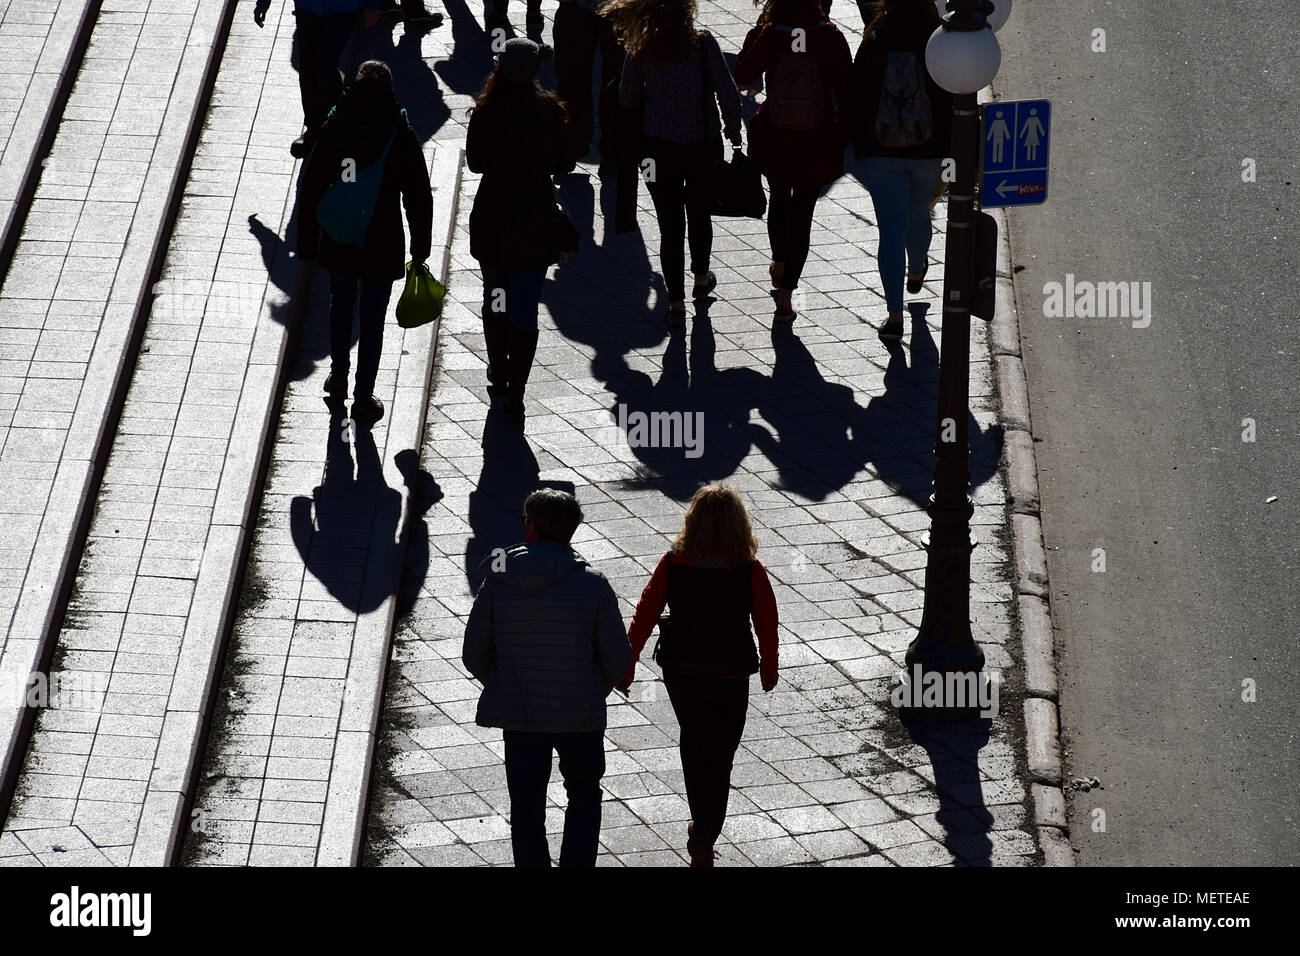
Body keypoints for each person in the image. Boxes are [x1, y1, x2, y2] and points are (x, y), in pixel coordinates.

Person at [463, 489, 633, 868]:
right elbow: (618, 657)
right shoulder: (594, 584)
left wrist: (504, 680)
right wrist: (592, 687)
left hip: (521, 714)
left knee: (526, 805)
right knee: (585, 795)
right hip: (580, 716)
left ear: (532, 527)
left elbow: (474, 652)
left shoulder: (500, 580)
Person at [618, 485, 780, 866]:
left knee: (694, 741)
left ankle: (701, 825)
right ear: (739, 525)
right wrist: (769, 668)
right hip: (729, 671)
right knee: (722, 753)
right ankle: (705, 831)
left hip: (683, 668)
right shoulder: (749, 569)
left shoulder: (673, 563)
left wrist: (625, 668)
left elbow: (644, 614)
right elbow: (767, 623)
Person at [298, 60, 432, 423]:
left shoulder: (336, 125)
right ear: (389, 88)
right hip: (382, 236)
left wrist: (307, 242)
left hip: (341, 234)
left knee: (340, 305)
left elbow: (310, 187)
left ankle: (338, 378)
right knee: (373, 320)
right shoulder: (398, 130)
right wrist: (421, 246)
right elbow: (418, 194)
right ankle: (363, 396)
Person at [604, 0, 742, 329]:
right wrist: (734, 131)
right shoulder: (704, 43)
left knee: (669, 226)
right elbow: (728, 91)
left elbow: (627, 97)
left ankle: (676, 304)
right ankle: (701, 276)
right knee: (699, 213)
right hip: (702, 147)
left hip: (656, 151)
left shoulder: (642, 46)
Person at [467, 38, 570, 425]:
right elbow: (564, 160)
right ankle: (518, 393)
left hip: (493, 218)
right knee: (525, 307)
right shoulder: (548, 110)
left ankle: (497, 369)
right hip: (535, 220)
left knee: (496, 296)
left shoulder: (486, 111)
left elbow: (476, 164)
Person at [733, 0, 852, 324]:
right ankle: (786, 297)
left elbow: (742, 74)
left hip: (777, 135)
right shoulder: (829, 35)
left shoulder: (772, 33)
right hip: (818, 137)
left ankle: (779, 260)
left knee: (780, 199)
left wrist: (755, 36)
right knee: (803, 213)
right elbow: (847, 86)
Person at [850, 0, 952, 342]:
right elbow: (952, 94)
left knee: (889, 231)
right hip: (928, 148)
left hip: (880, 150)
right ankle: (918, 267)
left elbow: (857, 91)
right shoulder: (938, 38)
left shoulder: (876, 35)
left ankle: (894, 316)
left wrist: (856, 142)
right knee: (919, 213)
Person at [253, 0, 383, 157]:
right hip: (307, 6)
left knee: (325, 66)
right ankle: (314, 127)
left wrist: (372, 5)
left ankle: (337, 124)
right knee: (308, 69)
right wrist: (263, 3)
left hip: (344, 7)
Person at [554, 0, 625, 167]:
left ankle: (610, 147)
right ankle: (573, 145)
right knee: (571, 78)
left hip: (617, 6)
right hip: (577, 6)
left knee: (616, 79)